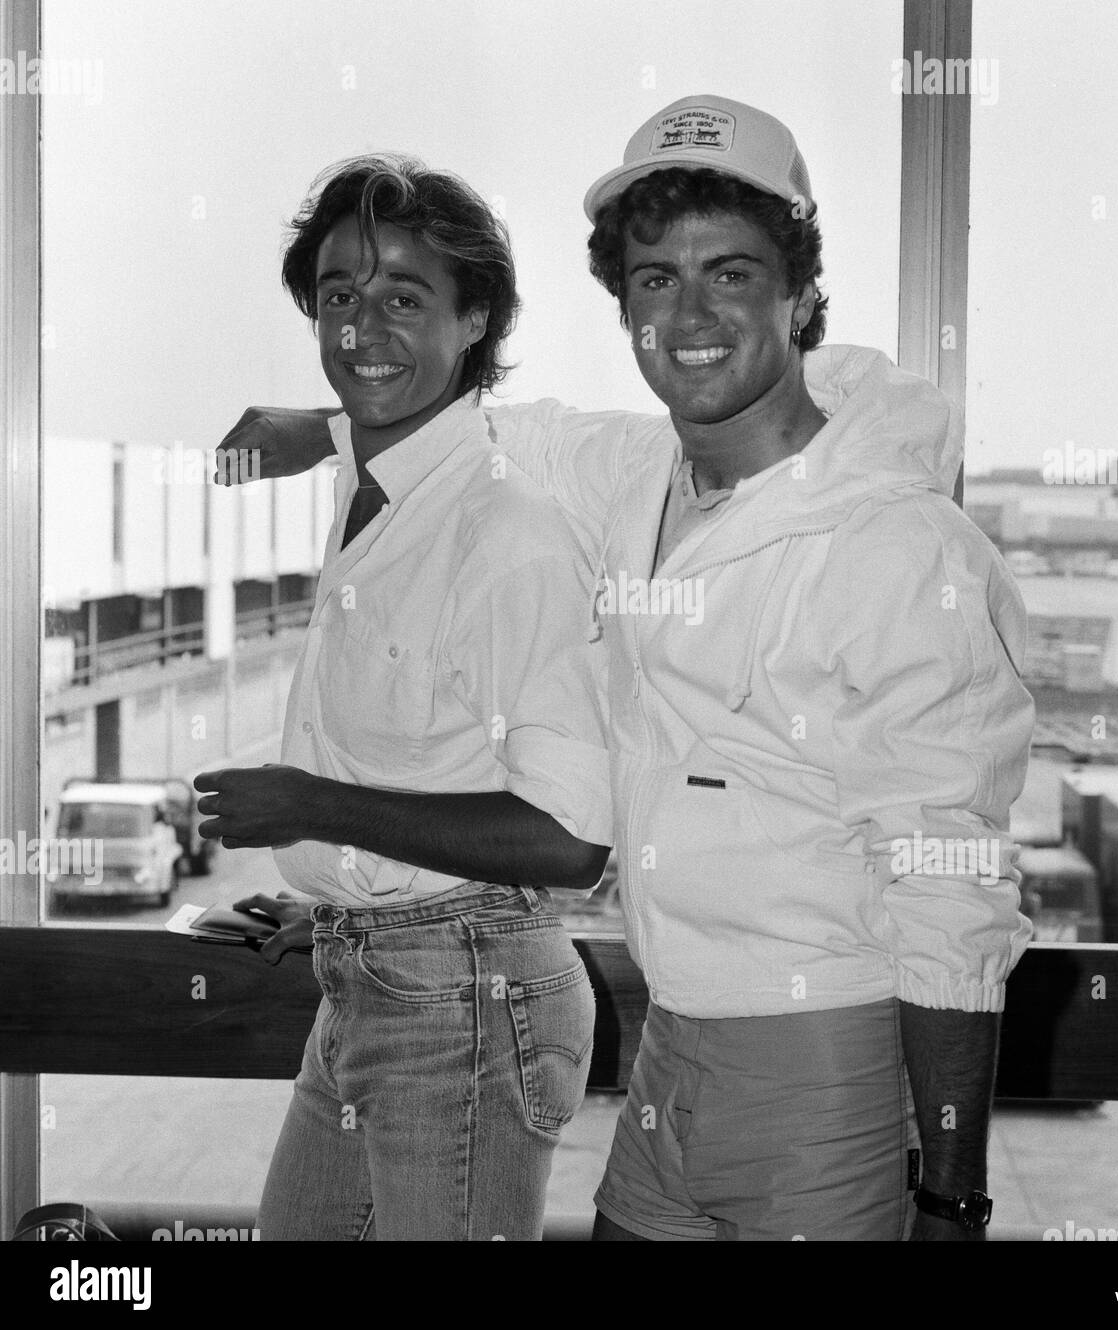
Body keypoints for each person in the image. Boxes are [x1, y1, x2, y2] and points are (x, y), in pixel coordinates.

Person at [217, 96, 1035, 1241]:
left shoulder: (896, 547)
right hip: (668, 1051)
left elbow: (952, 887)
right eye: (654, 280)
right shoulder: (636, 472)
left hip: (822, 1060)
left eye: (731, 272)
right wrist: (326, 423)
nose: (688, 313)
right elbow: (487, 421)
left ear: (800, 294)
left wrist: (951, 1193)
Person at [196, 154, 613, 1241]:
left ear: (473, 319)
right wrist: (342, 888)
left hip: (466, 1002)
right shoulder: (375, 489)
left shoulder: (509, 535)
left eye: (404, 297)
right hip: (370, 972)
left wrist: (312, 808)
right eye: (339, 296)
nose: (362, 326)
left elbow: (573, 841)